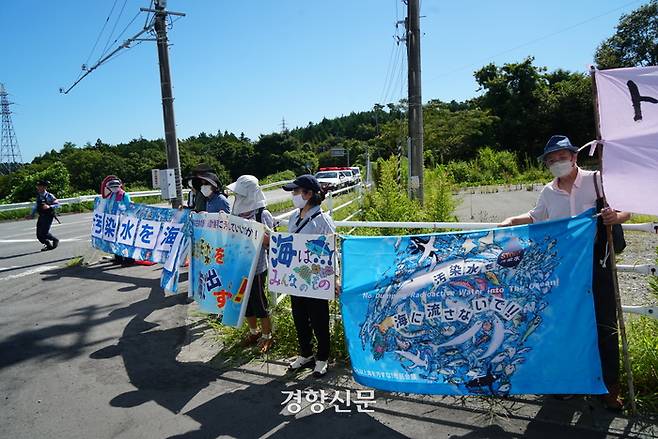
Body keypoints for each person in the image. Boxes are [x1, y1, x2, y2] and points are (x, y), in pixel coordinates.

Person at [499, 135, 630, 410]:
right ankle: (571, 382)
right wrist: (513, 220)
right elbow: (537, 217)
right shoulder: (548, 191)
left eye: (562, 157)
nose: (557, 163)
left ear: (574, 157)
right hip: (564, 266)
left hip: (597, 263)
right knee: (566, 323)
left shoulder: (598, 180)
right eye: (551, 160)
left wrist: (615, 217)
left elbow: (625, 208)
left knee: (604, 324)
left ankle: (609, 388)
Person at [282, 174, 336, 377]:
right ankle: (305, 353)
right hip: (296, 277)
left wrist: (334, 278)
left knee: (319, 318)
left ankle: (322, 358)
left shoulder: (323, 220)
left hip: (316, 279)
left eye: (296, 191)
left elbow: (332, 251)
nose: (294, 195)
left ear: (309, 194)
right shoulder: (294, 217)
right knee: (299, 317)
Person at [227, 175, 275, 353]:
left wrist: (260, 235)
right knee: (244, 301)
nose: (237, 197)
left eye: (240, 194)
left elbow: (272, 242)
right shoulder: (236, 213)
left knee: (259, 302)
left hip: (257, 267)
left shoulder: (262, 214)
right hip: (239, 264)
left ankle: (267, 336)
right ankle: (253, 332)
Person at [105, 177, 135, 265]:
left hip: (124, 220)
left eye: (115, 186)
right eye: (112, 186)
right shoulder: (111, 196)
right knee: (115, 240)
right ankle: (118, 258)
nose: (114, 188)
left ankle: (129, 259)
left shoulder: (124, 195)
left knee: (125, 240)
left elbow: (129, 207)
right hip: (114, 221)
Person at [28, 180, 60, 251]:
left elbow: (57, 204)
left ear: (44, 187)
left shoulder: (49, 196)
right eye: (38, 186)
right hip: (41, 216)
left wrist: (50, 206)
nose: (38, 188)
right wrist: (31, 214)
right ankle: (48, 244)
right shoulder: (38, 196)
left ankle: (55, 240)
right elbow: (36, 206)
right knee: (39, 235)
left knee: (44, 233)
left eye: (40, 186)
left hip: (48, 216)